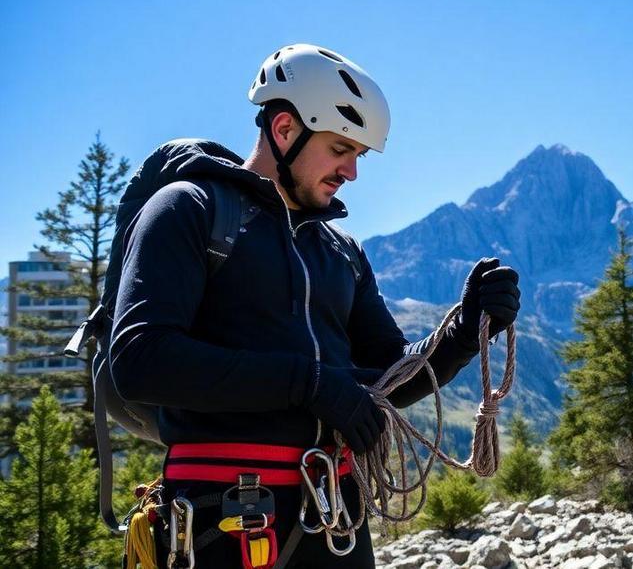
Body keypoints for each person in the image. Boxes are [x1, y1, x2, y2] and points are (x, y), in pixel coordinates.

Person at [109, 43, 520, 568]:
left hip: (335, 522)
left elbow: (390, 381)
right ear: (284, 130)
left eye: (358, 156)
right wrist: (309, 384)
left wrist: (464, 332)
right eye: (341, 149)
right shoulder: (190, 209)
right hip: (223, 518)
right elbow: (140, 361)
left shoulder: (341, 253)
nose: (351, 172)